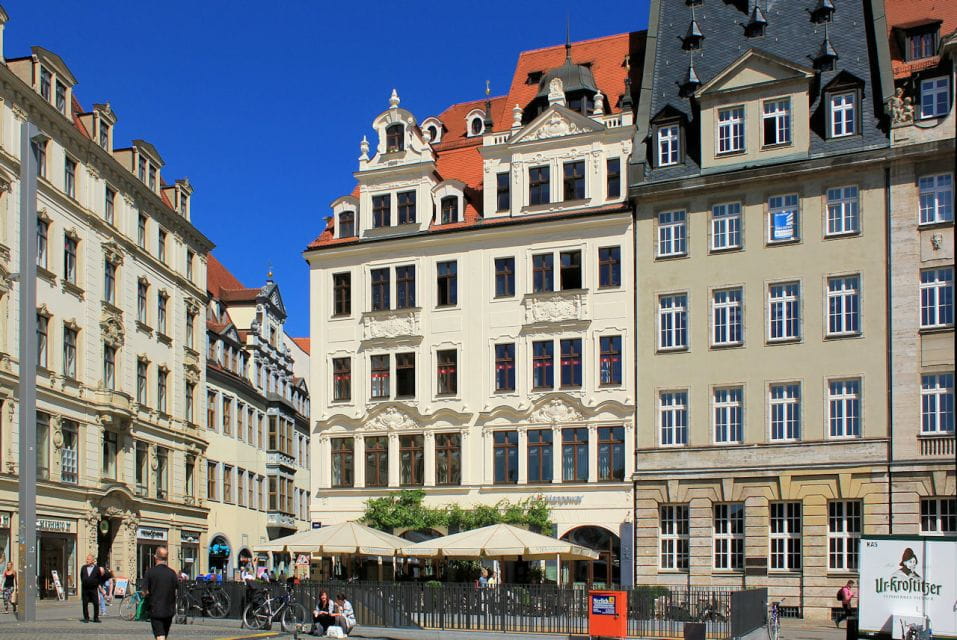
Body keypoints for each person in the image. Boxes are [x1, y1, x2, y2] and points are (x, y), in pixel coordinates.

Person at [142, 547, 179, 640]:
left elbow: (145, 592)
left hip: (156, 609)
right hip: (169, 610)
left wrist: (146, 597)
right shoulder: (172, 573)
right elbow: (176, 589)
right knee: (163, 634)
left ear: (155, 557)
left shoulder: (150, 572)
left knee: (160, 635)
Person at [80, 554, 104, 623]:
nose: (87, 560)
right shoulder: (83, 568)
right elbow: (81, 577)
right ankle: (86, 618)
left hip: (93, 589)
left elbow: (99, 578)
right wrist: (85, 582)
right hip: (85, 589)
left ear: (92, 560)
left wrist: (96, 584)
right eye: (87, 559)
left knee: (96, 603)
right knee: (85, 604)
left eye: (88, 559)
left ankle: (96, 618)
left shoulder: (96, 568)